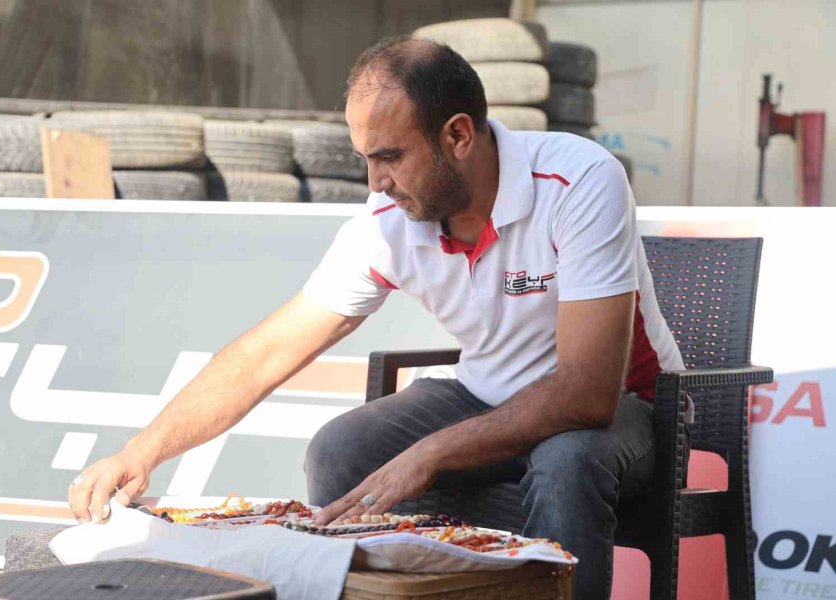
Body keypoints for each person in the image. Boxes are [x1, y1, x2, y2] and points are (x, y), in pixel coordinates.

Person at [68, 37, 683, 600]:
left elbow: (586, 394)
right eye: (364, 157)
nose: (374, 181)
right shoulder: (385, 223)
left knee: (567, 459)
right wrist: (143, 451)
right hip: (488, 397)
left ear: (459, 136)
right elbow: (268, 352)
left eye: (388, 156)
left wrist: (433, 452)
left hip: (629, 406)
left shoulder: (578, 180)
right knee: (341, 450)